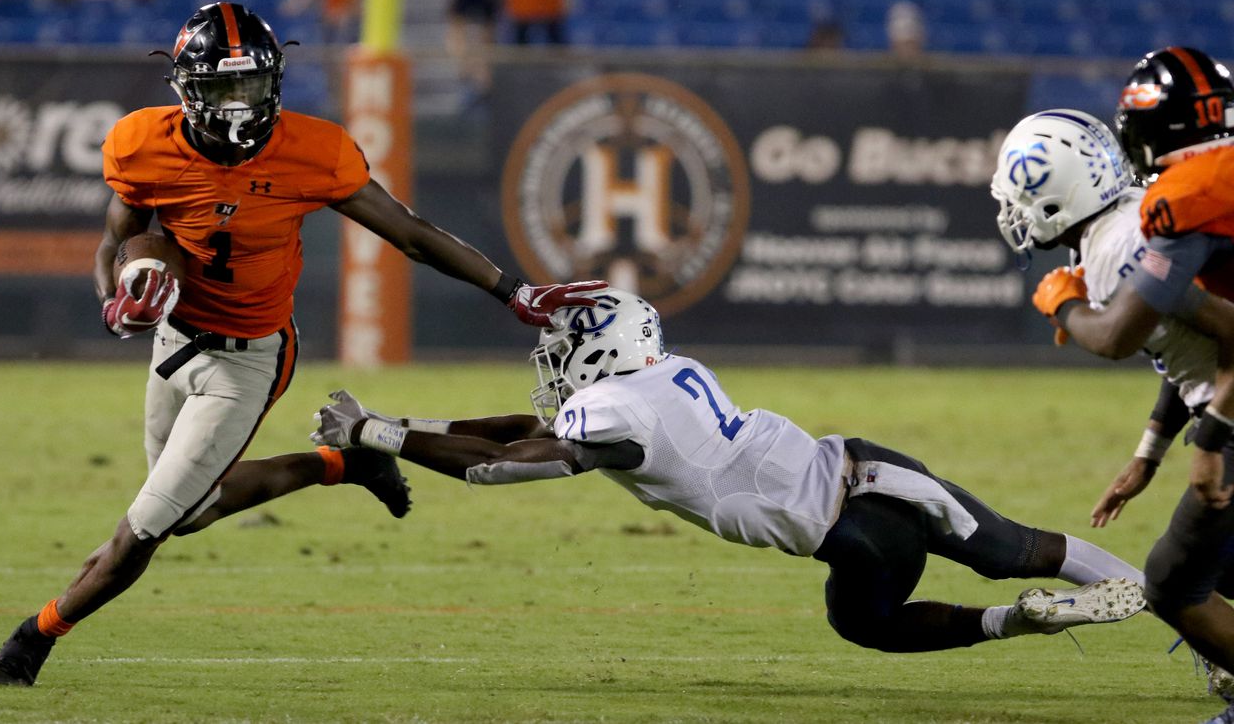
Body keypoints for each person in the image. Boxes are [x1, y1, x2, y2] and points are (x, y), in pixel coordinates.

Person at [0, 2, 605, 687]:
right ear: (185, 87)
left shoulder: (314, 149)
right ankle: (342, 464)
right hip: (173, 340)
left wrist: (511, 290)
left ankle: (29, 642)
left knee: (146, 528)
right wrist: (114, 302)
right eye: (223, 90)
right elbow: (115, 242)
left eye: (251, 88)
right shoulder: (141, 144)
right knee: (194, 512)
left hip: (248, 357)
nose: (240, 108)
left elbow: (411, 232)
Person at [313, 287, 1149, 656]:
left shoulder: (614, 414)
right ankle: (1161, 614)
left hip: (854, 525)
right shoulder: (665, 377)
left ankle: (1068, 617)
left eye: (565, 346)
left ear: (601, 347)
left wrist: (379, 434)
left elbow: (500, 465)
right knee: (1014, 553)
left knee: (892, 612)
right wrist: (399, 424)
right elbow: (514, 429)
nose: (554, 361)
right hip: (870, 481)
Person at [1022, 48, 1234, 723]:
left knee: (1175, 585)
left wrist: (1061, 303)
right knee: (1216, 566)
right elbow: (1200, 336)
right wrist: (1150, 450)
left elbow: (1115, 334)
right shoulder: (1174, 203)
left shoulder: (1173, 210)